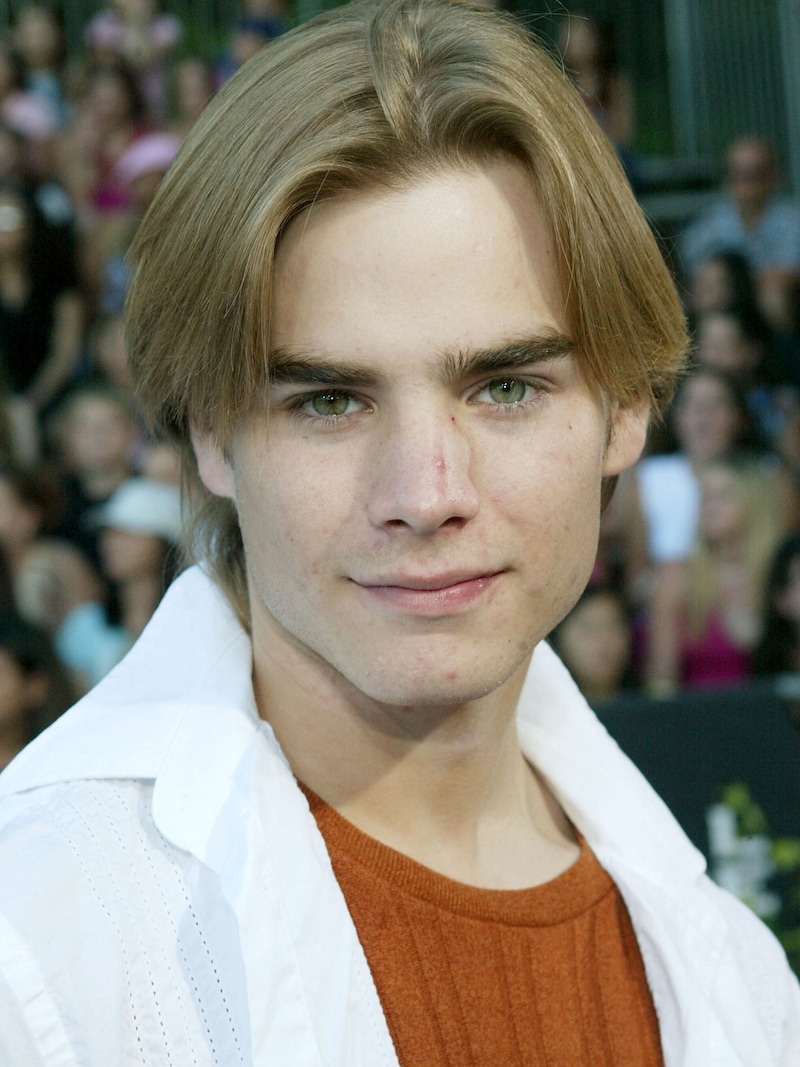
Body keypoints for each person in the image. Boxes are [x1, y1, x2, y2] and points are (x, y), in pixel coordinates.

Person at [0, 3, 796, 1065]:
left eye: (504, 385)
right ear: (209, 434)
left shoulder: (742, 977)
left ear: (625, 408)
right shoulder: (34, 950)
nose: (425, 494)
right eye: (329, 400)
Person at [644, 454, 786, 694]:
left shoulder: (780, 574)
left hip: (775, 719)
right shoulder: (677, 577)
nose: (710, 505)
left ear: (755, 503)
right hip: (701, 719)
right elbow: (662, 676)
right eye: (705, 496)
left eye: (724, 495)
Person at [680, 137, 800, 330]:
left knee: (773, 297)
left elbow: (790, 274)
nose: (746, 181)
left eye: (755, 173)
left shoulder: (791, 220)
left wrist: (734, 282)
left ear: (774, 176)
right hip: (722, 297)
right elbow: (695, 271)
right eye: (738, 173)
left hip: (768, 302)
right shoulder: (711, 221)